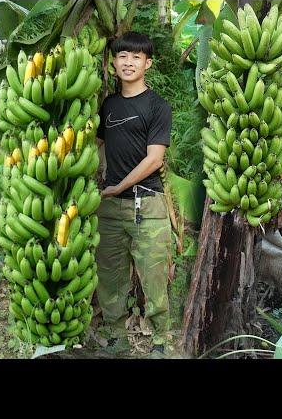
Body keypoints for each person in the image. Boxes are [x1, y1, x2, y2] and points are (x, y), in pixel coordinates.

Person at [95, 31, 173, 353]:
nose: (128, 62)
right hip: (110, 209)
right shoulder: (108, 105)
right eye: (122, 56)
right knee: (110, 278)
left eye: (136, 57)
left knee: (153, 279)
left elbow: (154, 159)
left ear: (147, 63)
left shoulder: (157, 106)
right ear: (113, 63)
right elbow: (99, 145)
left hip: (147, 205)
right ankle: (116, 338)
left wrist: (118, 186)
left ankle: (160, 341)